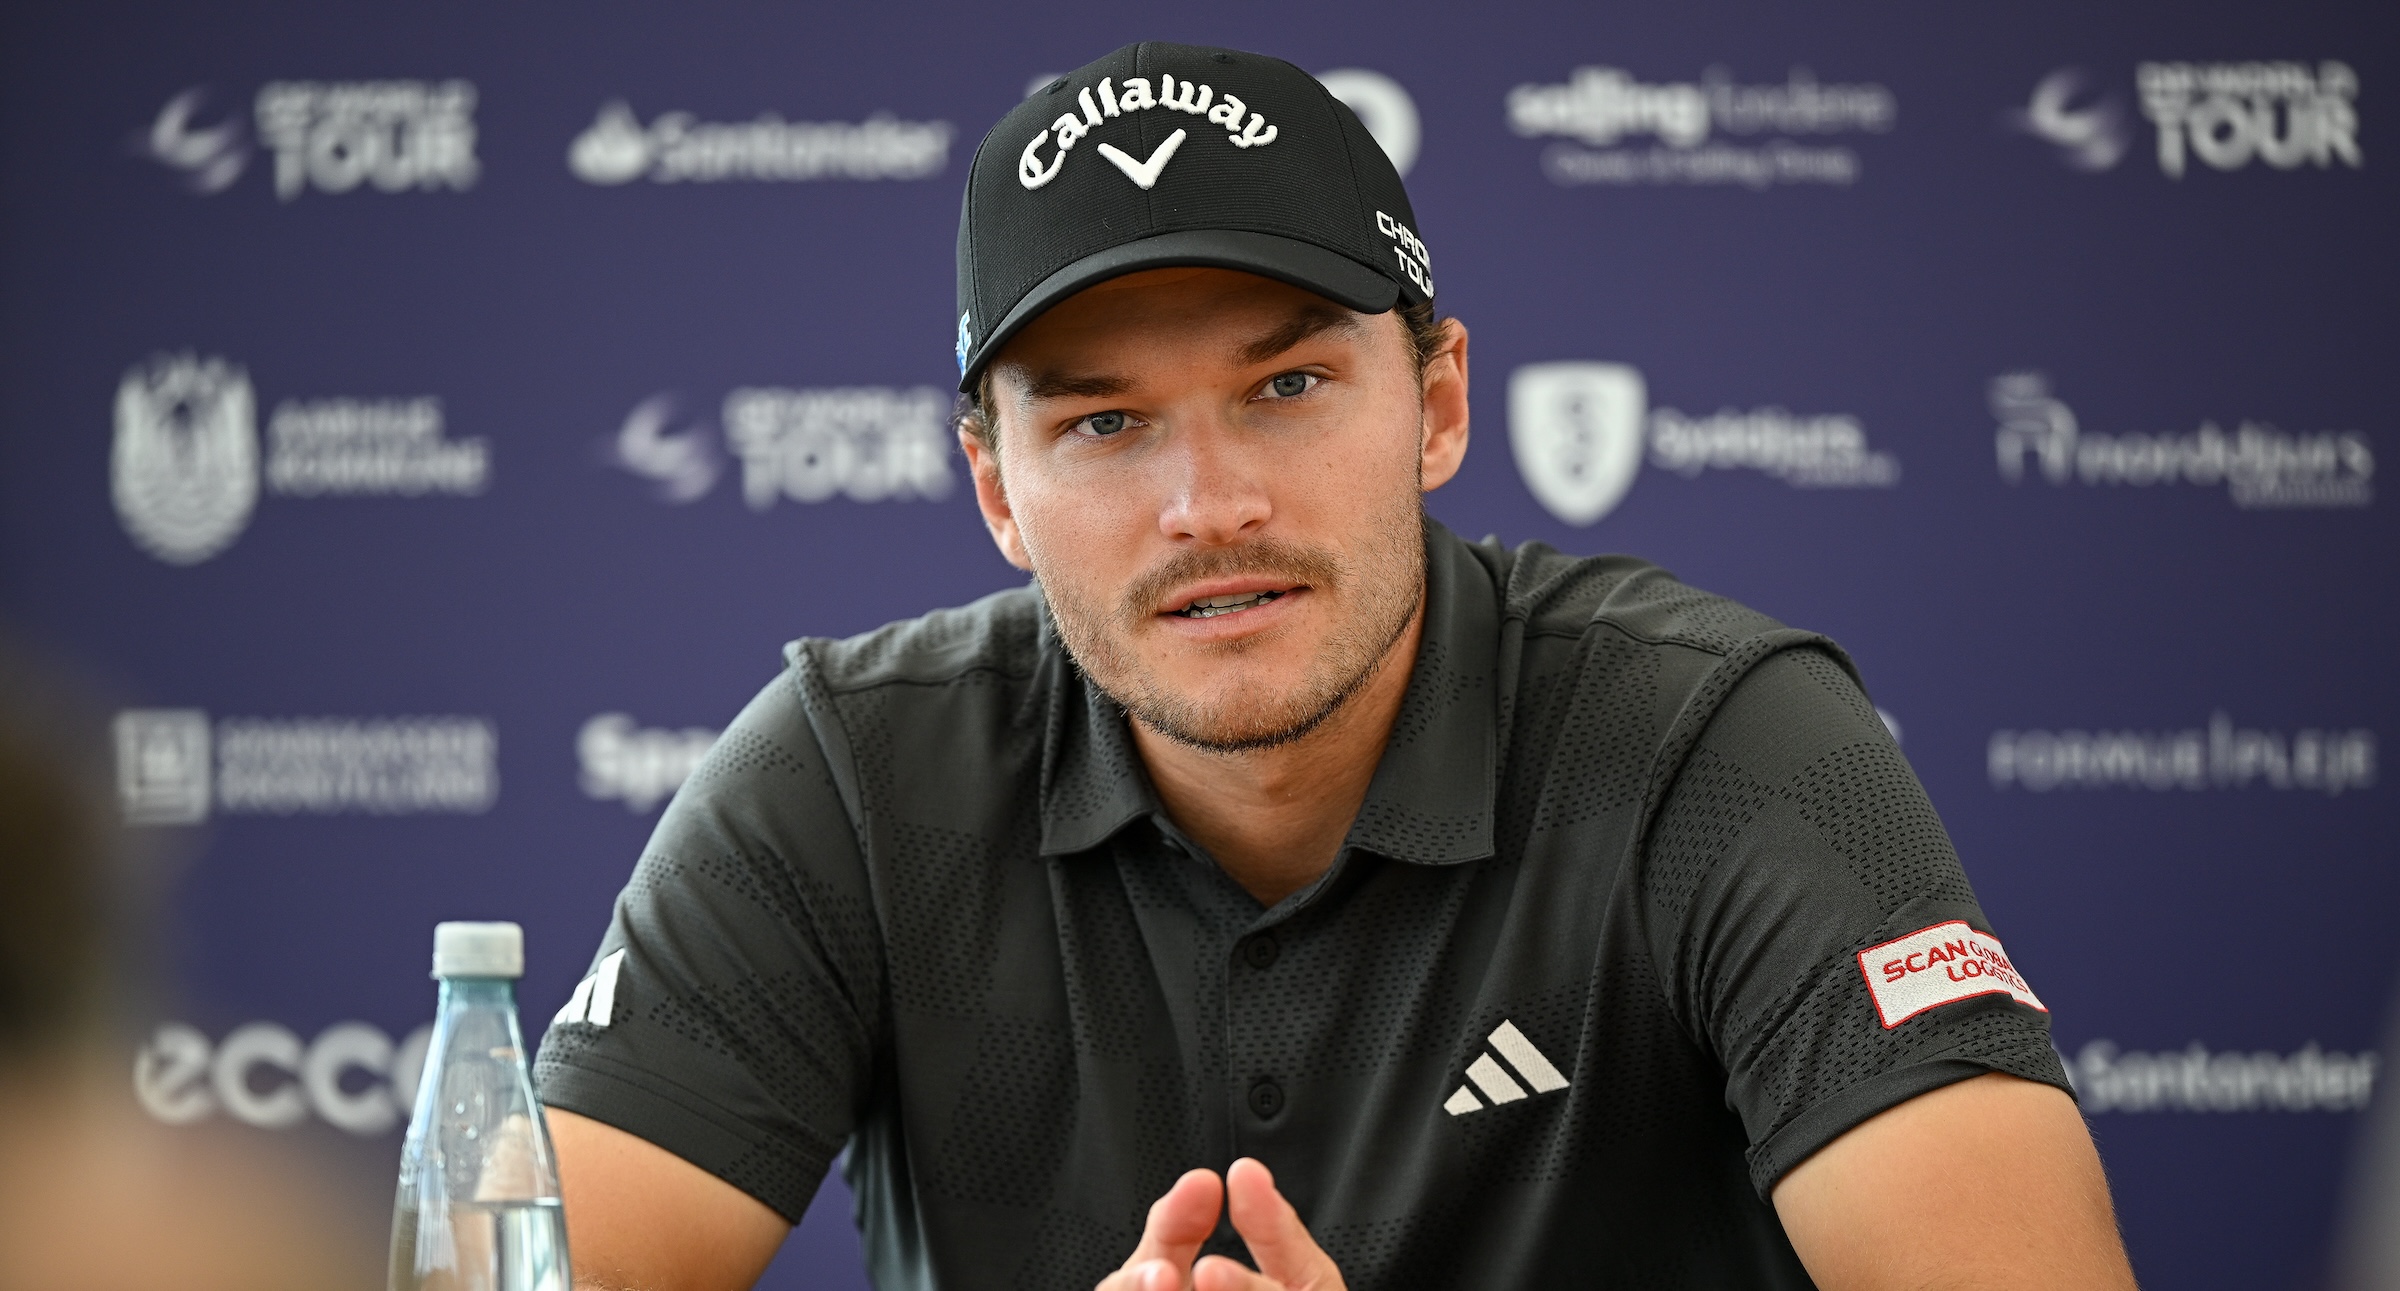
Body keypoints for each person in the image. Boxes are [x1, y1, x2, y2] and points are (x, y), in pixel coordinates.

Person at [534, 42, 2140, 1291]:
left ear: (1437, 404)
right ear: (996, 491)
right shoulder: (847, 777)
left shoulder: (1716, 740)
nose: (1207, 502)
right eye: (1103, 423)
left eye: (1290, 385)